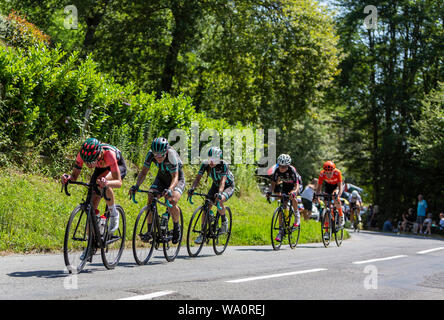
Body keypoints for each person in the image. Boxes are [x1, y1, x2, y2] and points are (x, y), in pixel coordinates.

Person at [61, 138, 127, 235]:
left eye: (91, 162)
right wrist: (68, 178)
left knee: (102, 182)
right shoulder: (82, 155)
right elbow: (74, 176)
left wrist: (107, 183)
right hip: (100, 167)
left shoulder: (109, 155)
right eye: (86, 162)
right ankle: (91, 244)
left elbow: (118, 182)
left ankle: (113, 213)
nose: (88, 165)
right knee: (91, 205)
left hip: (117, 165)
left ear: (99, 154)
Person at [129, 137, 184, 244]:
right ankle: (150, 231)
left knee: (172, 201)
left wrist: (170, 189)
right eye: (156, 155)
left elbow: (175, 177)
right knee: (150, 196)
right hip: (162, 177)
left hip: (177, 179)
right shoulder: (150, 155)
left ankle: (177, 227)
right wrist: (136, 186)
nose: (158, 157)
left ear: (166, 151)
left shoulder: (171, 155)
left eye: (160, 155)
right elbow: (144, 172)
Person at [188, 146, 235, 244]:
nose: (211, 162)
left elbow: (223, 181)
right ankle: (203, 233)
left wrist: (220, 193)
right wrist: (192, 188)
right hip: (216, 185)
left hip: (228, 186)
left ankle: (224, 221)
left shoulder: (224, 165)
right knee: (206, 206)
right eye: (210, 159)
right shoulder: (205, 164)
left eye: (214, 159)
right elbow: (197, 178)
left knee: (219, 199)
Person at [266, 154, 302, 242]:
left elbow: (296, 185)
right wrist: (270, 192)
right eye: (280, 166)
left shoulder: (292, 170)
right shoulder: (277, 171)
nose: (282, 168)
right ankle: (281, 230)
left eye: (284, 166)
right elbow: (273, 184)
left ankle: (297, 216)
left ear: (288, 165)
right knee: (283, 206)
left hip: (296, 185)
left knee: (293, 197)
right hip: (286, 185)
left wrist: (294, 192)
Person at [314, 160, 345, 240]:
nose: (328, 174)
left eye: (330, 173)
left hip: (337, 186)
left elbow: (340, 186)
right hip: (328, 186)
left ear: (333, 171)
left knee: (335, 197)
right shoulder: (322, 174)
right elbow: (319, 187)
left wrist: (338, 195)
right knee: (326, 207)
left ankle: (341, 216)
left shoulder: (337, 173)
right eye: (326, 173)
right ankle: (327, 231)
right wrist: (317, 196)